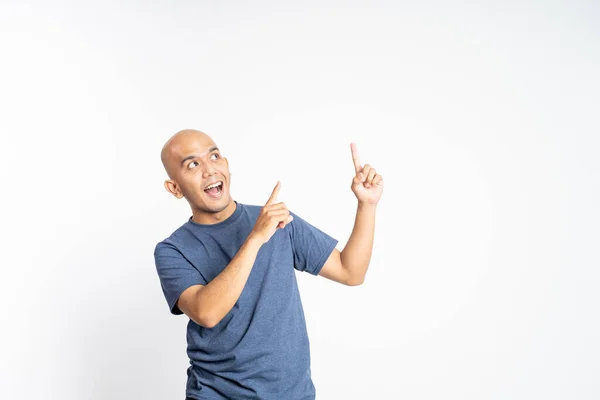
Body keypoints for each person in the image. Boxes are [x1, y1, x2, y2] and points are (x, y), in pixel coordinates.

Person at [154, 129, 383, 400]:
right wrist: (255, 239)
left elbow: (351, 271)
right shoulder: (172, 250)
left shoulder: (277, 221)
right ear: (175, 188)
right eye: (192, 164)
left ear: (226, 164)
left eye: (214, 156)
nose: (209, 169)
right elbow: (207, 312)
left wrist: (367, 205)